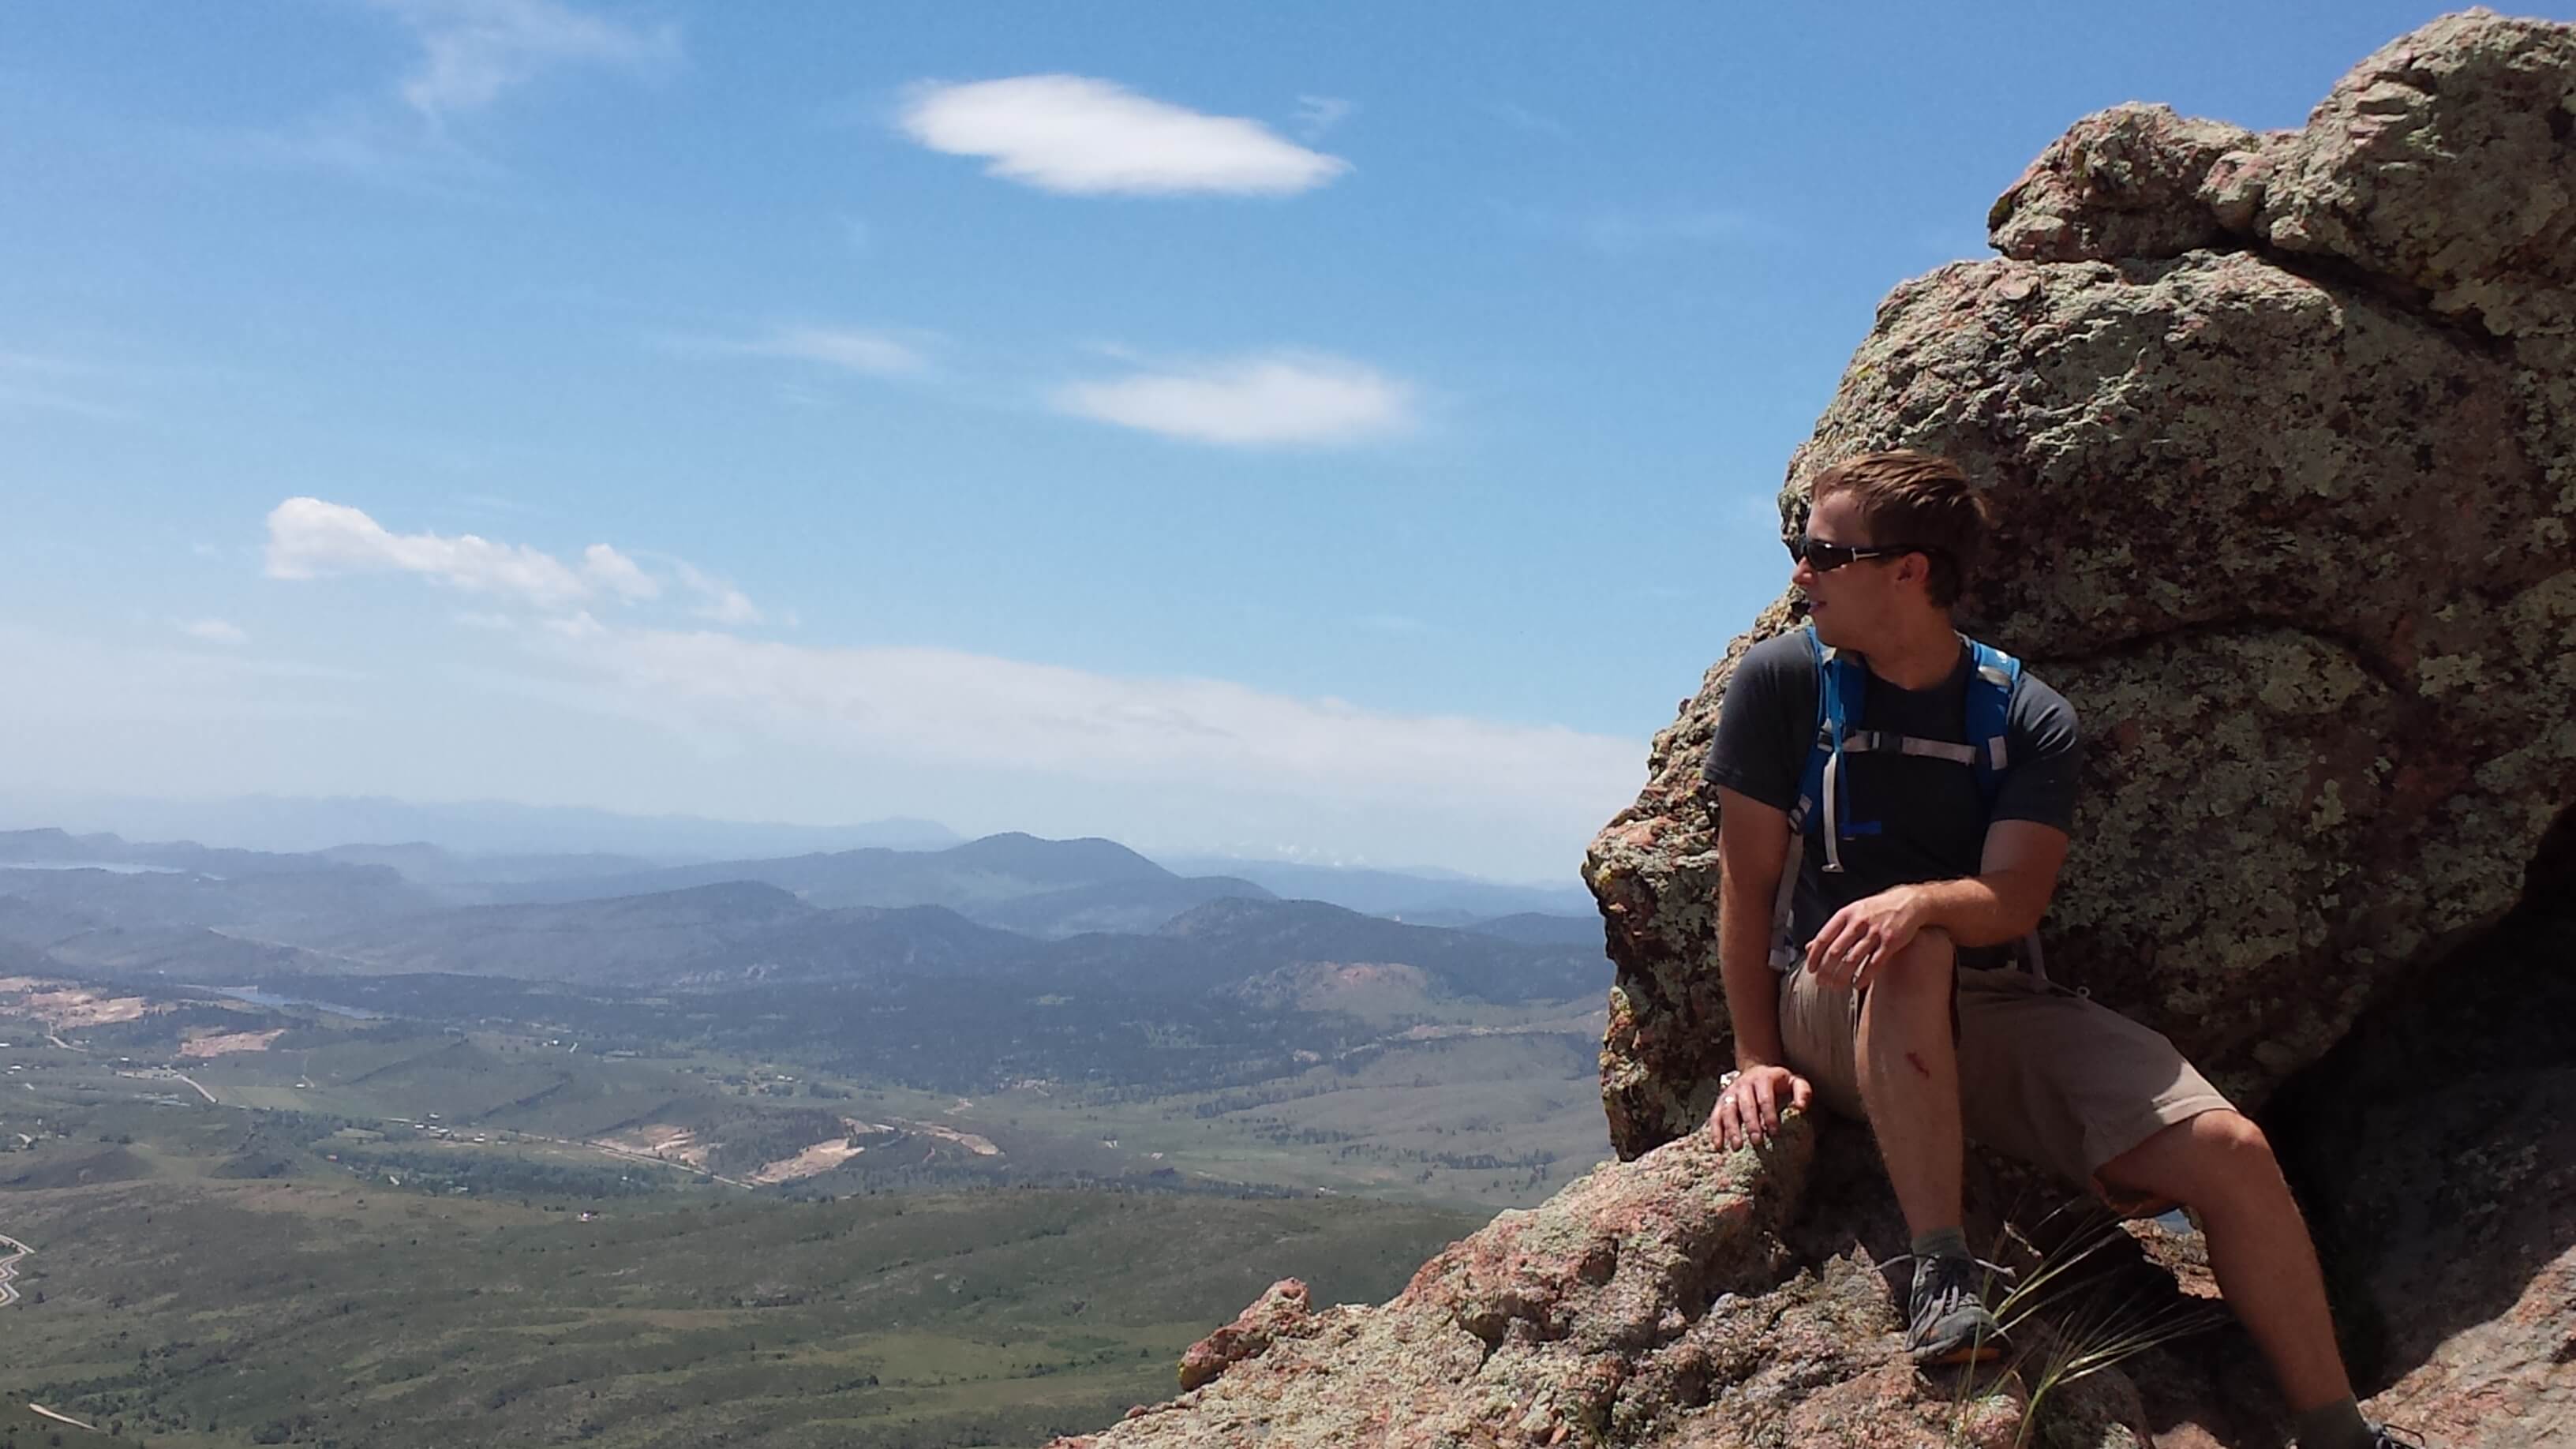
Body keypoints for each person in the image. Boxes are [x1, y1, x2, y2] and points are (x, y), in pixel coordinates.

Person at [1700, 451, 2418, 1449]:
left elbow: (2012, 899)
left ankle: (2339, 1431)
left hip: (1984, 1000)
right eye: (1802, 549)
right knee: (1916, 947)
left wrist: (1919, 899)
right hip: (1833, 995)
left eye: (1823, 551)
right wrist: (1751, 1054)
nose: (1800, 572)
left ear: (1909, 570)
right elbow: (1748, 882)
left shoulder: (2021, 712)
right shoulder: (1784, 683)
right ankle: (1943, 1275)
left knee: (2231, 1150)